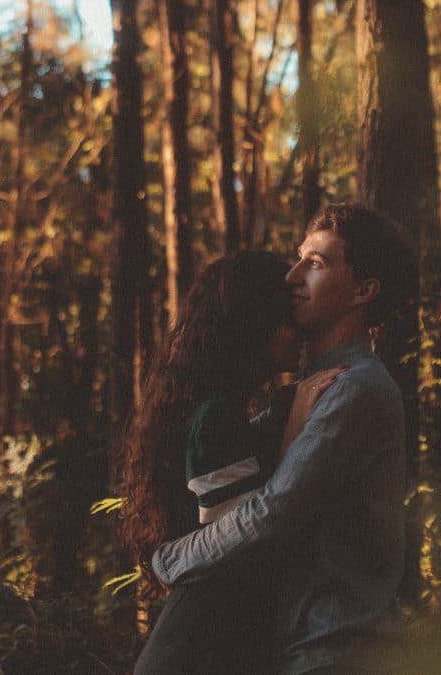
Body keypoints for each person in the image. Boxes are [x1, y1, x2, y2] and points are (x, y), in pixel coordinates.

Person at [153, 203, 414, 674]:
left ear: (363, 290)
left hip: (337, 651)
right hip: (292, 648)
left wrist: (172, 560)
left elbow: (271, 513)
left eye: (316, 263)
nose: (293, 276)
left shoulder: (356, 389)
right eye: (299, 258)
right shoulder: (302, 391)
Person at [119, 251, 345, 674]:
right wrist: (296, 426)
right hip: (198, 649)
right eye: (286, 316)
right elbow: (245, 538)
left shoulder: (226, 412)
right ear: (254, 322)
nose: (298, 331)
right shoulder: (214, 418)